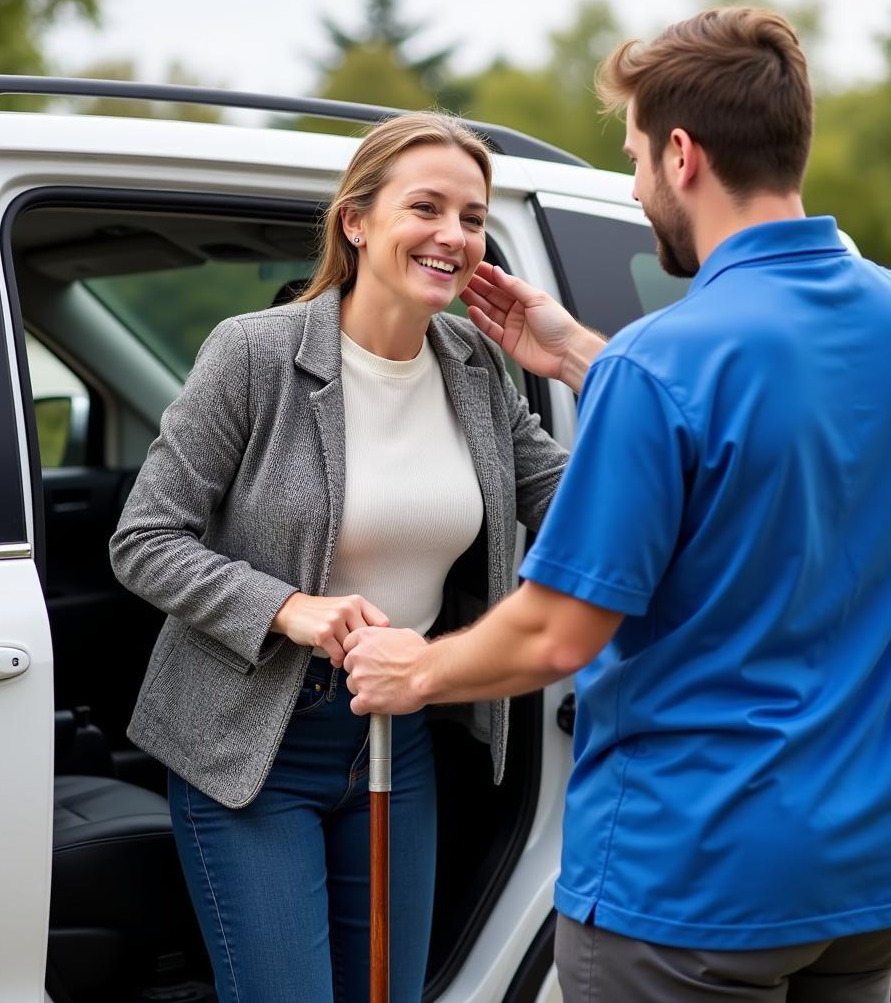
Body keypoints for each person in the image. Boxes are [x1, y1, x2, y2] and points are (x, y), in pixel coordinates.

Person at [342, 7, 891, 1003]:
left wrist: (415, 668)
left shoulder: (660, 365)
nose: (635, 188)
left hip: (694, 886)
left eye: (634, 159)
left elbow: (554, 635)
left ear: (682, 155)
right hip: (874, 880)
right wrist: (583, 356)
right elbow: (792, 431)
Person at [108, 111, 592, 1003]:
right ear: (357, 221)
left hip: (394, 738)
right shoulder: (254, 354)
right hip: (249, 745)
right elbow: (144, 539)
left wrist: (579, 366)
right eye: (428, 207)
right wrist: (291, 607)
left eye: (474, 217)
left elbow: (585, 506)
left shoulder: (472, 365)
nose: (455, 234)